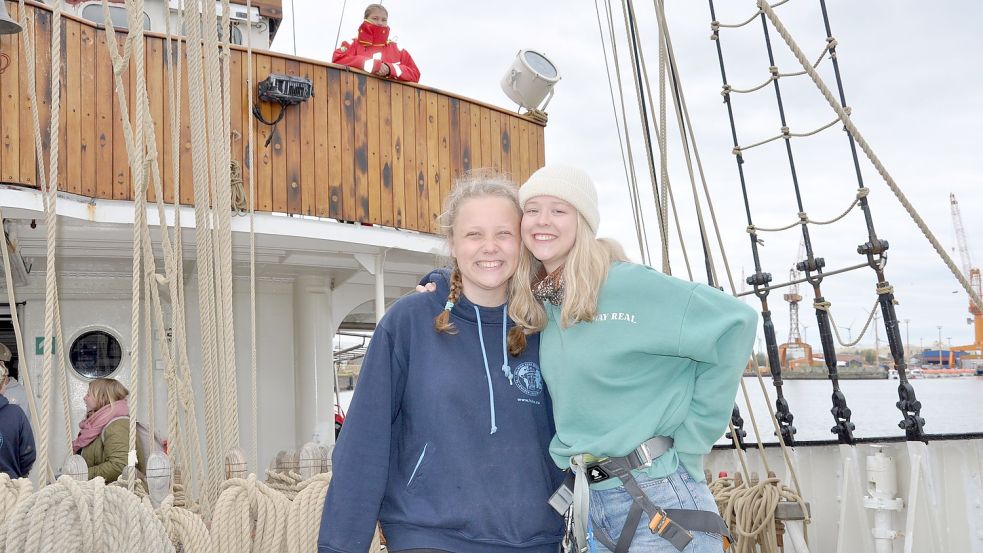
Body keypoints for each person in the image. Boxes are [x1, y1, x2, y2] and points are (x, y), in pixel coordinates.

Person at [509, 165, 758, 552]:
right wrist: (440, 289)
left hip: (659, 500)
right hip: (589, 508)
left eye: (559, 210)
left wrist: (693, 442)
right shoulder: (542, 303)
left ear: (583, 221)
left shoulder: (626, 284)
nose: (543, 221)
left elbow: (736, 323)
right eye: (533, 209)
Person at [318, 171, 564, 553]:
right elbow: (364, 444)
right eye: (474, 234)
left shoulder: (545, 327)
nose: (490, 247)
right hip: (428, 535)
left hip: (534, 540)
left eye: (503, 234)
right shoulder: (410, 322)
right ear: (452, 242)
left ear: (522, 242)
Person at [73, 378, 146, 483]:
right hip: (99, 490)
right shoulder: (98, 425)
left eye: (88, 395)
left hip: (117, 494)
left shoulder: (118, 425)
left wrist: (80, 475)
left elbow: (120, 466)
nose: (84, 398)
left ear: (102, 397)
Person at [332, 4, 420, 83]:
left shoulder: (397, 50)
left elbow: (415, 74)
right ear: (366, 19)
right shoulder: (353, 44)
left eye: (384, 20)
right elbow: (337, 59)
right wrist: (374, 65)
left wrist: (390, 69)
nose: (380, 23)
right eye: (375, 18)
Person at [0, 359, 35, 479]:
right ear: (3, 385)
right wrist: (19, 475)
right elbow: (28, 453)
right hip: (9, 485)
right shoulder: (16, 414)